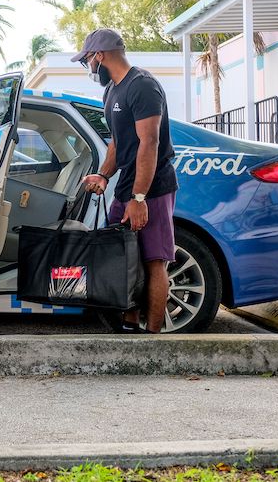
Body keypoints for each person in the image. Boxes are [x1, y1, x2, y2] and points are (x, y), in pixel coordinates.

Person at [73, 28, 178, 334]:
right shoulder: (112, 91)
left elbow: (150, 143)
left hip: (152, 188)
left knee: (154, 261)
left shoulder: (142, 86)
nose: (88, 67)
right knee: (124, 258)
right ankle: (130, 324)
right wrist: (104, 175)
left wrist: (140, 198)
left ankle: (152, 337)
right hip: (125, 188)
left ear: (99, 56)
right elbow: (116, 145)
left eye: (87, 61)